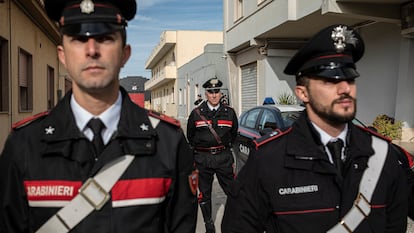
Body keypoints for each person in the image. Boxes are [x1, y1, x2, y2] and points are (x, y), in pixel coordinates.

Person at [0, 0, 198, 232]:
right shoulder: (24, 145)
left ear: (125, 54)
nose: (92, 50)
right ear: (62, 55)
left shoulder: (168, 143)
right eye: (78, 39)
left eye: (105, 38)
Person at [221, 24, 408, 233]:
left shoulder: (383, 156)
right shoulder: (268, 160)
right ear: (303, 93)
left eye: (349, 78)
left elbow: (396, 225)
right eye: (330, 80)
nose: (345, 88)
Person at [187, 77, 238, 233]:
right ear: (206, 93)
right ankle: (209, 224)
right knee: (204, 194)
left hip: (223, 158)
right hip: (203, 159)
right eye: (211, 92)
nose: (214, 95)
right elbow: (190, 136)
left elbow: (234, 134)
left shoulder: (229, 112)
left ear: (220, 93)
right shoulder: (196, 114)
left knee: (234, 191)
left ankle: (233, 222)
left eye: (217, 91)